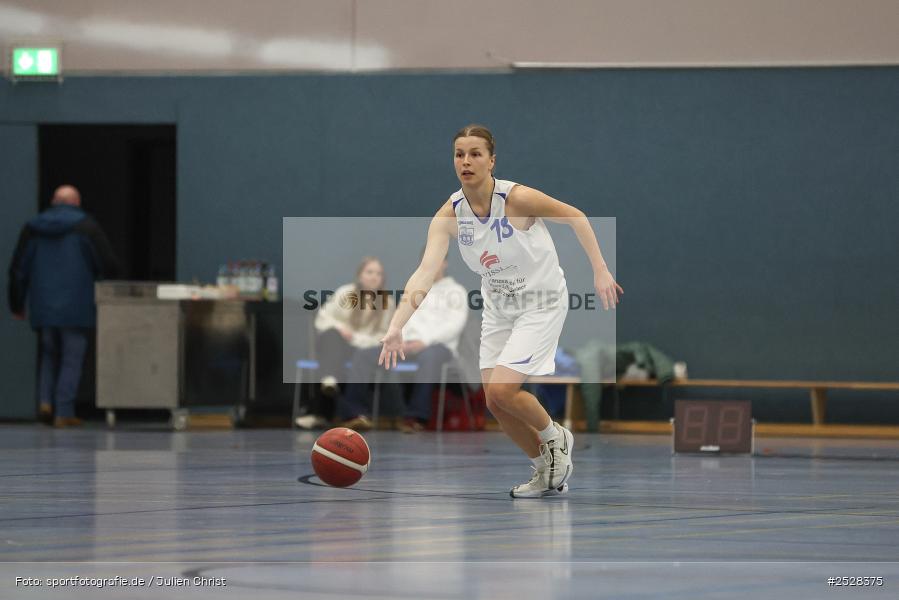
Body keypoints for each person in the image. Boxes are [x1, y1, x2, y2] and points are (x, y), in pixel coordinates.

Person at [378, 125, 623, 498]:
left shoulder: (517, 199)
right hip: (498, 307)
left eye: (475, 153)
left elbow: (575, 216)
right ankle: (543, 468)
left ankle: (556, 437)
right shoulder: (450, 214)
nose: (466, 161)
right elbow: (424, 273)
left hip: (540, 302)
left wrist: (600, 268)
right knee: (494, 399)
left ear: (492, 160)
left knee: (506, 389)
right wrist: (397, 326)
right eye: (459, 154)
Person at [7, 185, 121, 427]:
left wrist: (17, 304)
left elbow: (18, 269)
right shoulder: (86, 226)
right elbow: (107, 262)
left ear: (53, 201)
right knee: (72, 357)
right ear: (76, 202)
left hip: (43, 305)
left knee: (48, 354)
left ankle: (45, 401)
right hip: (76, 305)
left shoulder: (33, 228)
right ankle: (64, 410)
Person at [336, 255, 467, 433]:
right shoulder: (414, 290)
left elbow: (454, 325)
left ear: (444, 263)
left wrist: (424, 342)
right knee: (365, 355)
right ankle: (355, 414)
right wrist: (401, 341)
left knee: (430, 357)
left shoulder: (456, 291)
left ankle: (415, 418)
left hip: (438, 347)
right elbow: (402, 319)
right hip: (407, 345)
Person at [297, 256, 394, 430]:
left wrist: (358, 339)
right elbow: (323, 318)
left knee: (348, 361)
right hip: (340, 345)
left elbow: (384, 334)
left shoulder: (387, 302)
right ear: (360, 275)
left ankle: (322, 413)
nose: (374, 277)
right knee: (332, 339)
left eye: (379, 273)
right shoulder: (345, 293)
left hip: (366, 348)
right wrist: (341, 328)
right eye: (370, 272)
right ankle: (330, 389)